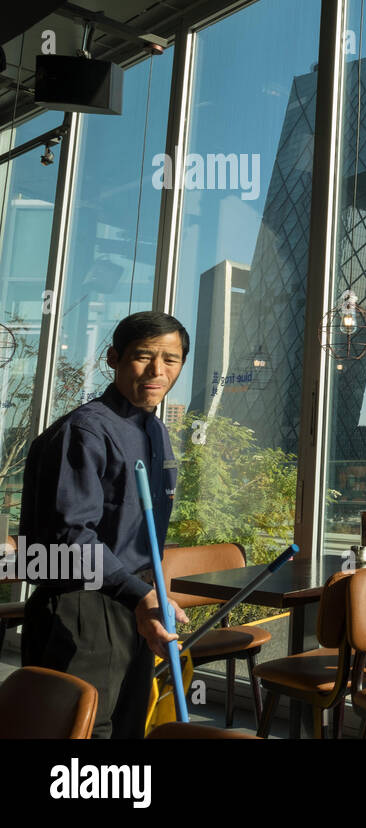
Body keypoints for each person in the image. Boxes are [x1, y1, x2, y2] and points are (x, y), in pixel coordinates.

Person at [20, 311, 191, 738]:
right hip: (80, 603)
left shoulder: (155, 430)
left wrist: (148, 597)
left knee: (130, 722)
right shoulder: (86, 430)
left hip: (130, 601)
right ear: (113, 358)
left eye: (171, 360)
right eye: (143, 357)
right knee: (79, 729)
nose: (158, 370)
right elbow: (70, 537)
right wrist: (139, 596)